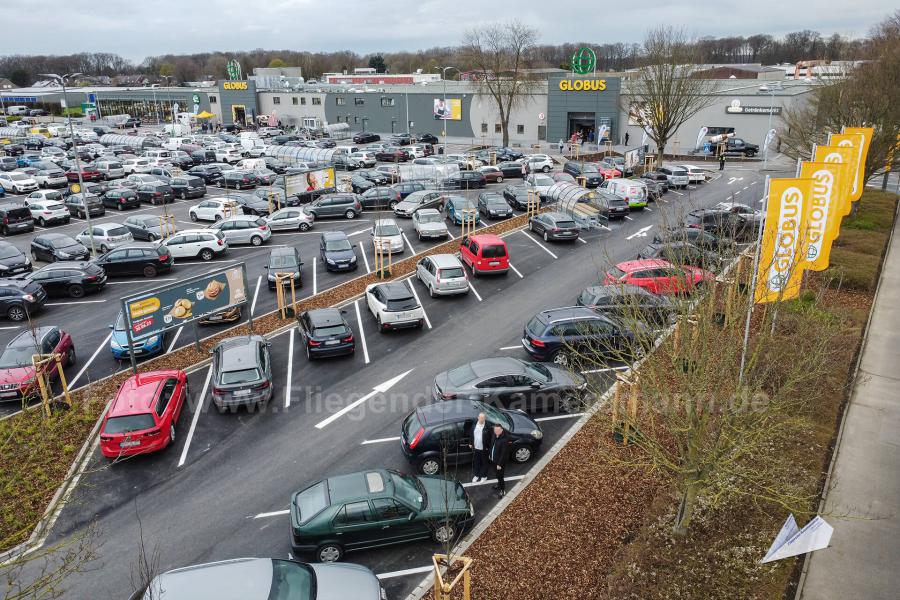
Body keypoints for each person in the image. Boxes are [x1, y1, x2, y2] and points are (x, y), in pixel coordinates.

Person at [489, 423, 511, 498]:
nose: (496, 431)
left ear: (501, 430)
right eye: (495, 430)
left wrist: (499, 464)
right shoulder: (494, 435)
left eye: (498, 430)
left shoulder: (504, 440)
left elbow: (503, 454)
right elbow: (492, 446)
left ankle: (502, 490)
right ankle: (499, 485)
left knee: (500, 476)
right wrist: (490, 454)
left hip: (499, 463)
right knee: (497, 475)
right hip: (494, 460)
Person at [469, 413, 491, 483]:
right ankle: (476, 475)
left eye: (483, 418)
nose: (481, 419)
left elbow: (490, 437)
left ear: (485, 418)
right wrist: (470, 443)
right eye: (480, 418)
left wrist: (488, 447)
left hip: (484, 449)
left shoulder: (488, 426)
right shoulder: (474, 424)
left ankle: (484, 476)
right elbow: (471, 434)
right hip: (476, 448)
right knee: (476, 462)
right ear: (478, 417)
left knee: (485, 463)